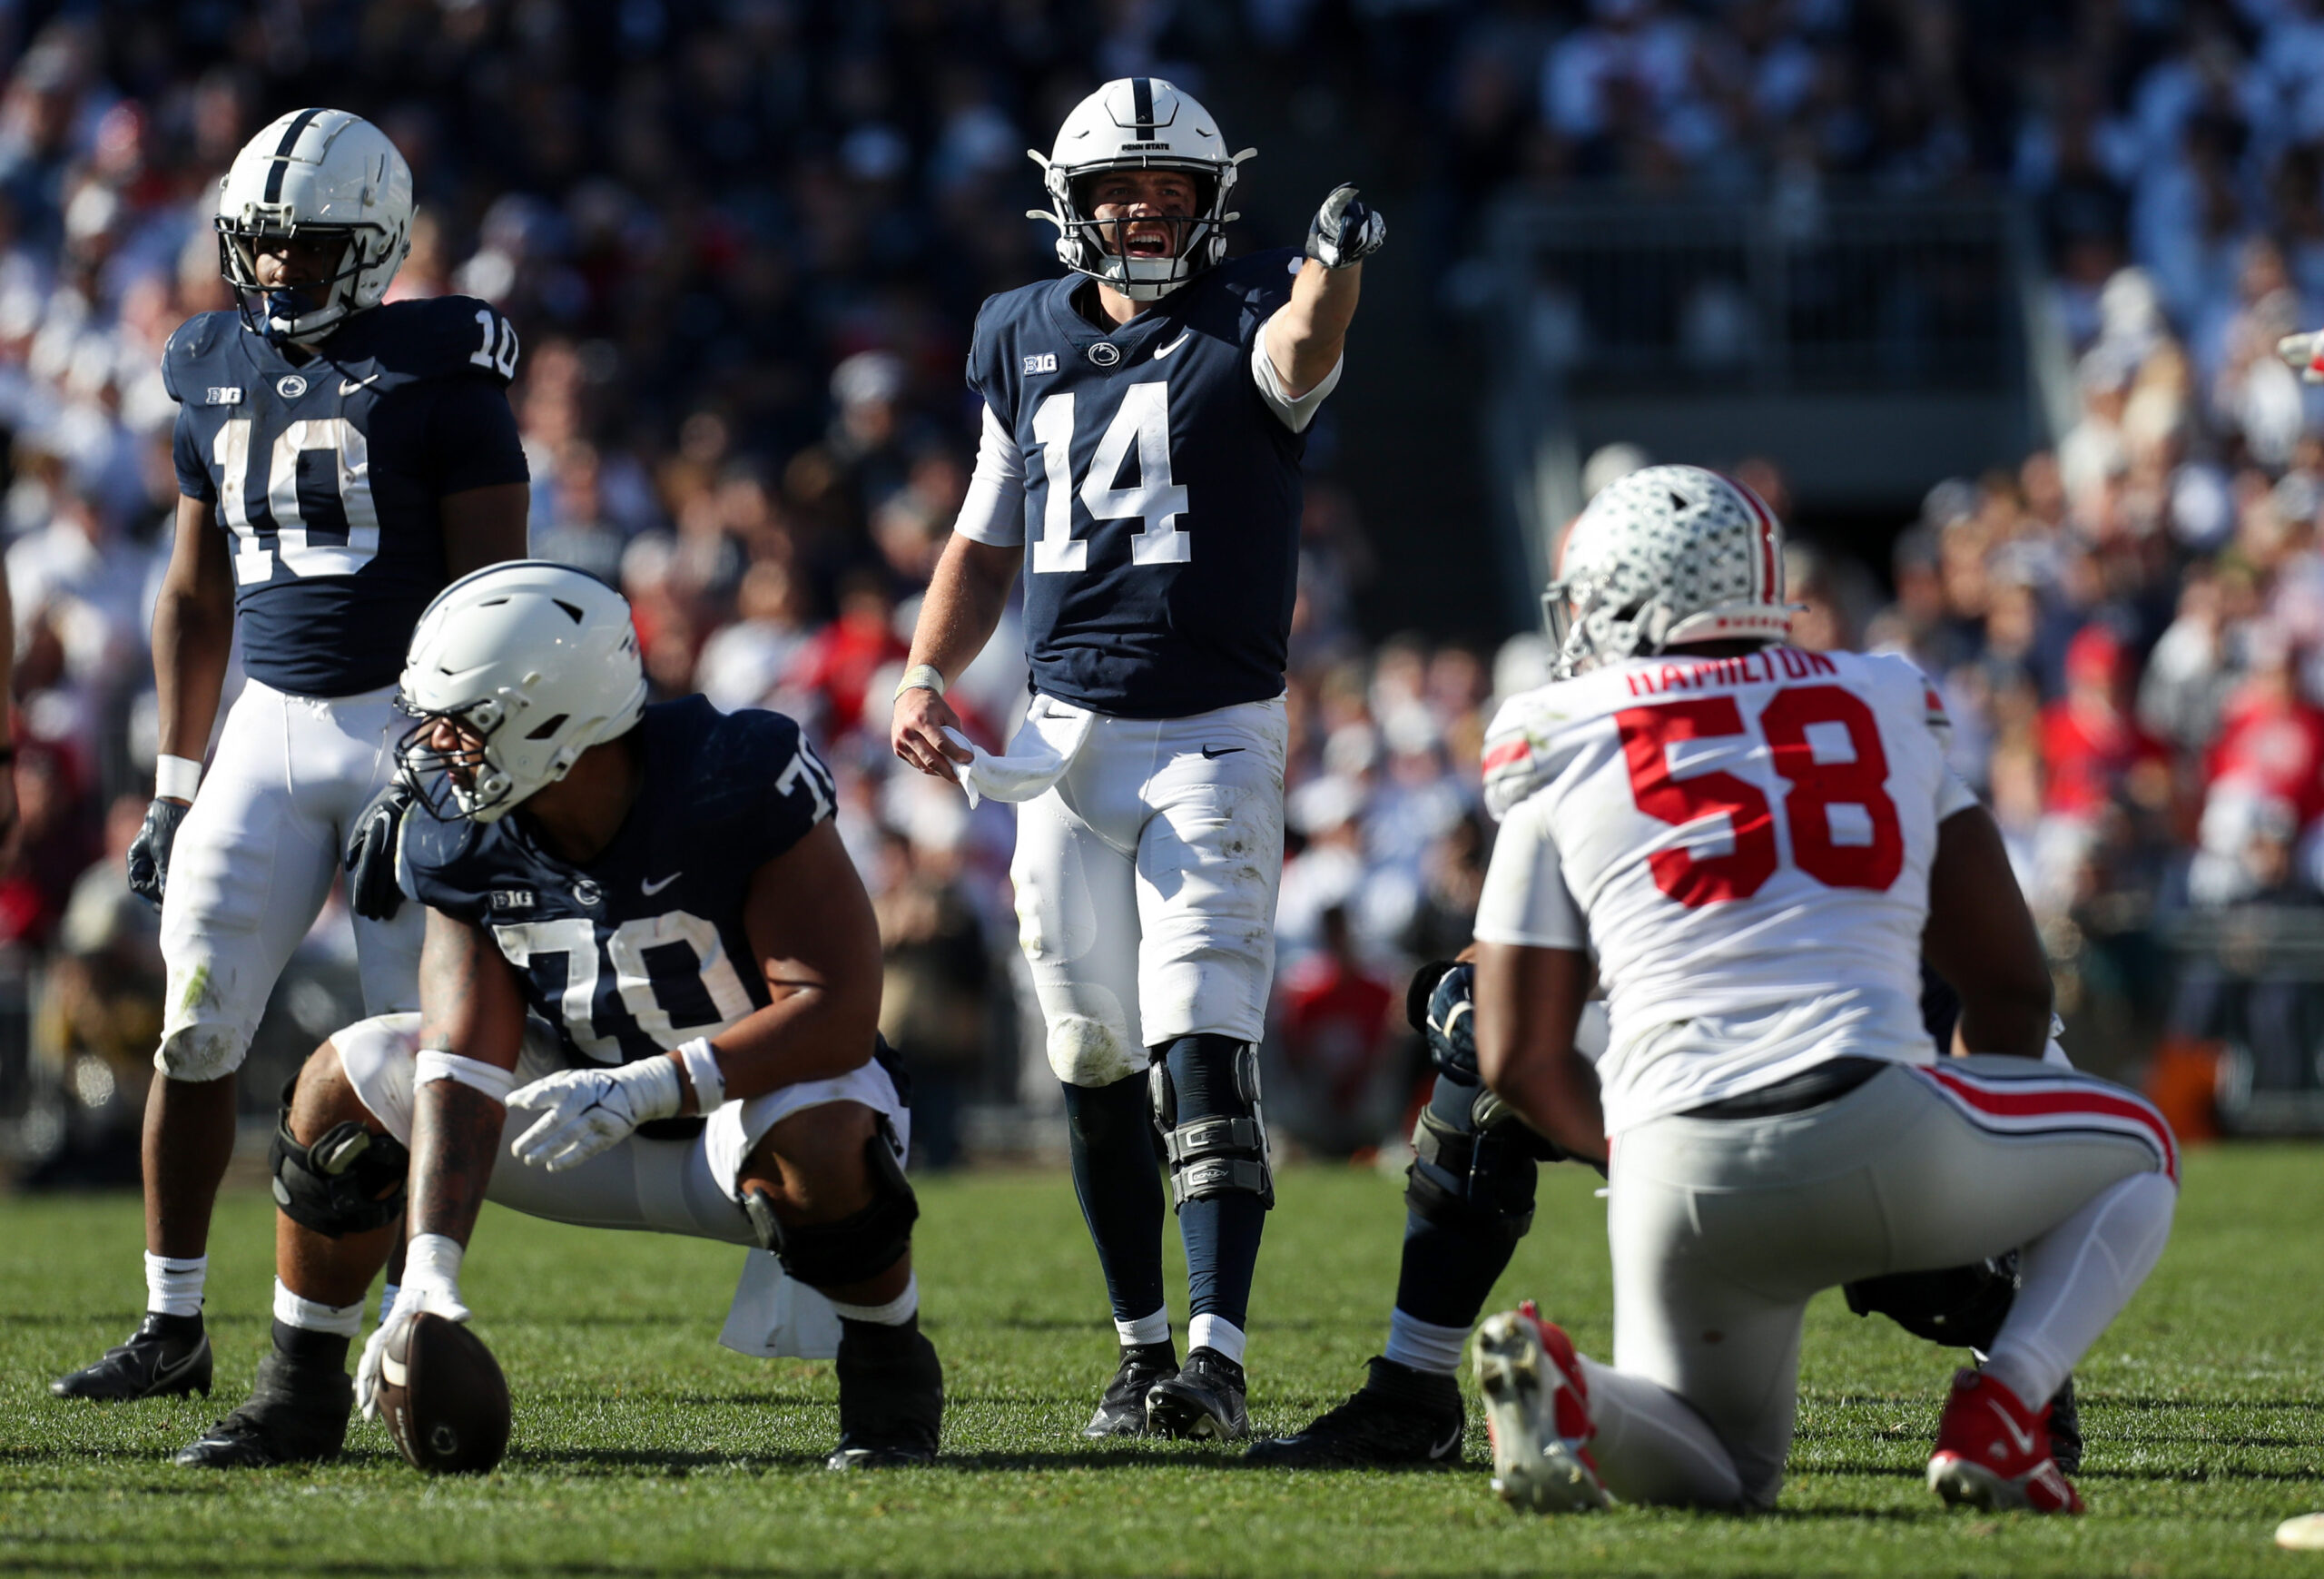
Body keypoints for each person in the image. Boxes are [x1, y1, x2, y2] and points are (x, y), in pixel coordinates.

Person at [1463, 466, 2177, 1514]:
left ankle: (1575, 1397)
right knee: (2140, 1145)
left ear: (1626, 600)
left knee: (1726, 1471)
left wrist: (1644, 1150)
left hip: (1677, 1163)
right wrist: (1964, 1171)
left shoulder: (1552, 734)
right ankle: (2005, 1403)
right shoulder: (1886, 696)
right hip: (1880, 1124)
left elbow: (1514, 1057)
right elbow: (2011, 984)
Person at [173, 562, 941, 1471]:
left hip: (745, 1116)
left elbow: (836, 1012)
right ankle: (297, 1394)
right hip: (572, 1118)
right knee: (346, 1086)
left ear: (550, 714)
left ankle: (890, 1378)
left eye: (460, 723)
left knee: (824, 1133)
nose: (433, 747)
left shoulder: (733, 772)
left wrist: (653, 1084)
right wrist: (428, 1272)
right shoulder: (460, 826)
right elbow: (459, 1057)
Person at [889, 77, 1383, 1440]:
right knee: (1090, 1053)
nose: (1149, 210)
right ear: (1073, 203)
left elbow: (1302, 338)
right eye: (1124, 189)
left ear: (1215, 205)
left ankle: (1215, 1359)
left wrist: (1337, 264)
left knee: (1202, 1045)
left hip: (1210, 739)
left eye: (1174, 190)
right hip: (1060, 744)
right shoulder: (1017, 334)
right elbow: (984, 542)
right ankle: (1137, 1346)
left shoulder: (1243, 324)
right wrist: (927, 669)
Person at [52, 109, 528, 1402]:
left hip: (400, 719)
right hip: (265, 718)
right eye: (260, 246)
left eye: (307, 248)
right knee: (194, 1026)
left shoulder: (445, 364)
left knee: (397, 1054)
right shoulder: (208, 361)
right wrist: (172, 780)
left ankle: (392, 1326)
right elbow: (193, 597)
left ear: (373, 249)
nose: (276, 273)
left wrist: (444, 757)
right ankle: (172, 1321)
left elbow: (499, 589)